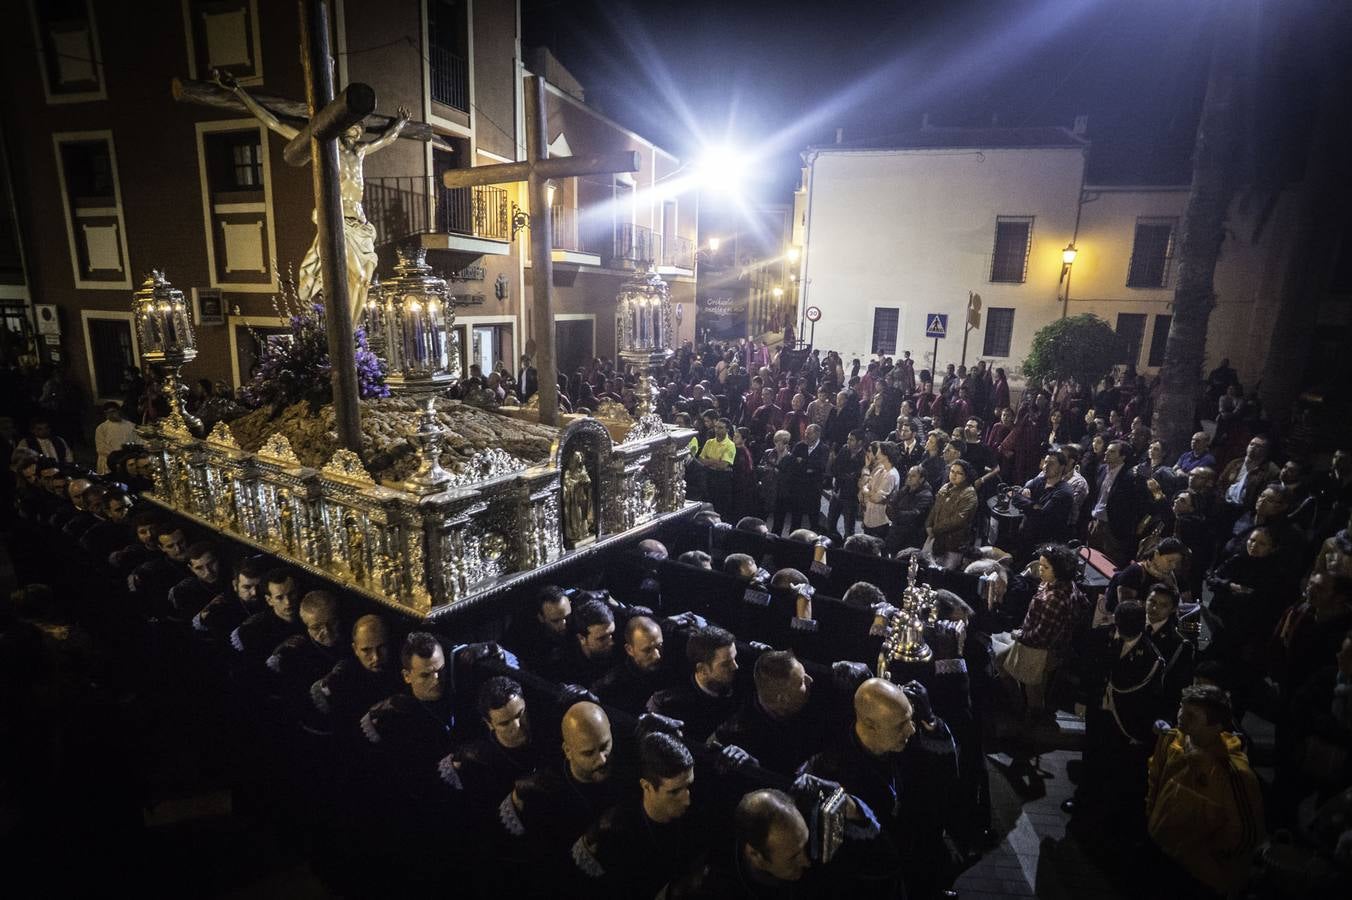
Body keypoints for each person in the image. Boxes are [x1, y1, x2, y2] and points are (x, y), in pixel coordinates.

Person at [218, 70, 411, 320]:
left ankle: (352, 332)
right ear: (341, 124)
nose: (359, 128)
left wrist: (401, 123)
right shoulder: (325, 146)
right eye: (353, 122)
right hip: (339, 221)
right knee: (359, 277)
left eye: (361, 125)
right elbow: (275, 123)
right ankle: (346, 330)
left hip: (361, 225)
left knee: (364, 283)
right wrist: (238, 91)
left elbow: (387, 139)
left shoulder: (360, 152)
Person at [1143, 685, 1263, 899]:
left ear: (1216, 725)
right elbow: (1155, 781)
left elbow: (1245, 836)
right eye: (1182, 709)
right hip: (1163, 854)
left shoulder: (1234, 773)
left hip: (1202, 877)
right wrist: (1153, 820)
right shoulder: (1171, 741)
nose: (1181, 717)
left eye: (1191, 715)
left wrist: (1204, 856)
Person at [571, 732, 701, 896]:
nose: (687, 800)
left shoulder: (695, 820)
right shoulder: (617, 832)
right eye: (674, 792)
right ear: (646, 786)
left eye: (688, 786)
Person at [996, 544, 1086, 716]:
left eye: (1045, 567)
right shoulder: (1065, 584)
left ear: (1058, 570)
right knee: (1007, 665)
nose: (1040, 570)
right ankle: (1023, 708)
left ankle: (1028, 718)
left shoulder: (1054, 598)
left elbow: (1040, 637)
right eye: (1040, 565)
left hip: (1039, 651)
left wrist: (1019, 634)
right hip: (1050, 647)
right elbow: (1084, 604)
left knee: (1033, 691)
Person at [439, 676, 542, 822]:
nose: (517, 726)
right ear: (489, 724)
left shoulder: (543, 734)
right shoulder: (483, 761)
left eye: (520, 714)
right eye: (505, 723)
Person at [310, 614, 400, 740]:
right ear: (355, 649)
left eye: (382, 647)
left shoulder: (401, 672)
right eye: (366, 650)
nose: (376, 657)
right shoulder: (344, 676)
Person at [646, 625, 740, 743]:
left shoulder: (740, 685)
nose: (736, 667)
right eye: (726, 664)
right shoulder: (671, 705)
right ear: (702, 669)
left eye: (735, 658)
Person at [592, 615, 669, 713]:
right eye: (647, 650)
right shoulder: (612, 686)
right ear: (630, 650)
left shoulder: (670, 667)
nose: (657, 655)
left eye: (659, 646)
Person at [1010, 449, 1075, 562]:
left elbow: (1042, 515)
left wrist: (1026, 500)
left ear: (1062, 467)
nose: (1046, 466)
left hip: (1044, 543)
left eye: (1052, 463)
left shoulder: (1064, 492)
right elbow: (1015, 497)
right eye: (1045, 462)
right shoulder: (1039, 480)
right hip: (1025, 534)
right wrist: (1032, 504)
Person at [502, 585, 572, 666]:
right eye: (555, 621)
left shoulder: (580, 616)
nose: (564, 625)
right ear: (541, 618)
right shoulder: (524, 636)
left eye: (567, 617)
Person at [926, 459, 978, 563]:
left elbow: (958, 520)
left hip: (953, 543)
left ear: (966, 476)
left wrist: (936, 528)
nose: (954, 475)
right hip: (935, 538)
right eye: (952, 471)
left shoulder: (969, 494)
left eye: (959, 473)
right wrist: (928, 525)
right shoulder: (946, 487)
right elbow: (935, 508)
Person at [824, 429, 866, 541]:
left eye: (851, 440)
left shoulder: (864, 456)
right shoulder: (844, 449)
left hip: (851, 496)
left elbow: (857, 475)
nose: (848, 441)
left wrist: (845, 475)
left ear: (860, 442)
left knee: (849, 527)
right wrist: (846, 476)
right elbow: (835, 468)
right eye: (848, 439)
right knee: (831, 521)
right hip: (838, 491)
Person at [886, 464, 933, 555]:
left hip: (910, 537)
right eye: (908, 475)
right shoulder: (905, 490)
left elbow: (915, 515)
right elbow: (891, 504)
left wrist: (896, 514)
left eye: (913, 476)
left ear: (921, 479)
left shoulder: (926, 495)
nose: (909, 478)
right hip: (896, 533)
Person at [859, 441, 901, 540]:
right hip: (869, 519)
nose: (876, 453)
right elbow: (865, 486)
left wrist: (867, 491)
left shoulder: (891, 474)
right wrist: (868, 491)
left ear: (886, 455)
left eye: (879, 451)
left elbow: (876, 498)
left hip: (880, 522)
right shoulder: (880, 470)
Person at [94, 402, 138, 475]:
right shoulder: (101, 428)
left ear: (118, 411)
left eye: (113, 411)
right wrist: (116, 457)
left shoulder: (131, 426)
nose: (110, 415)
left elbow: (136, 442)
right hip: (108, 462)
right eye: (107, 413)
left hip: (127, 461)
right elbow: (101, 447)